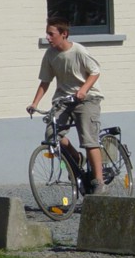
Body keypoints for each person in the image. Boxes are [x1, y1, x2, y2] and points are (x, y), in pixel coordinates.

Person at [27, 17, 106, 194]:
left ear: (64, 34)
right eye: (47, 34)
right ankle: (77, 158)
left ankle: (99, 182)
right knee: (51, 134)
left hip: (87, 98)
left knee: (88, 139)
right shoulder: (50, 54)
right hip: (64, 99)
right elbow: (45, 81)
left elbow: (95, 72)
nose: (48, 37)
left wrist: (84, 89)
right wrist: (35, 103)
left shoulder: (79, 51)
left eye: (51, 34)